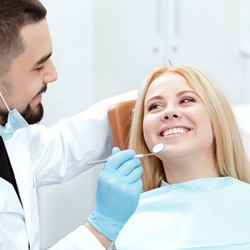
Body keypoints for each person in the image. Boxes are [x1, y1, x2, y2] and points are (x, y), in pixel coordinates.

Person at [0, 0, 143, 249]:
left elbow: (62, 147)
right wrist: (100, 229)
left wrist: (150, 95)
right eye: (39, 66)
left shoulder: (9, 132)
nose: (53, 74)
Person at [114, 66, 250, 249]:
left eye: (186, 100)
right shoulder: (121, 223)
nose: (169, 112)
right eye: (155, 106)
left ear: (217, 116)